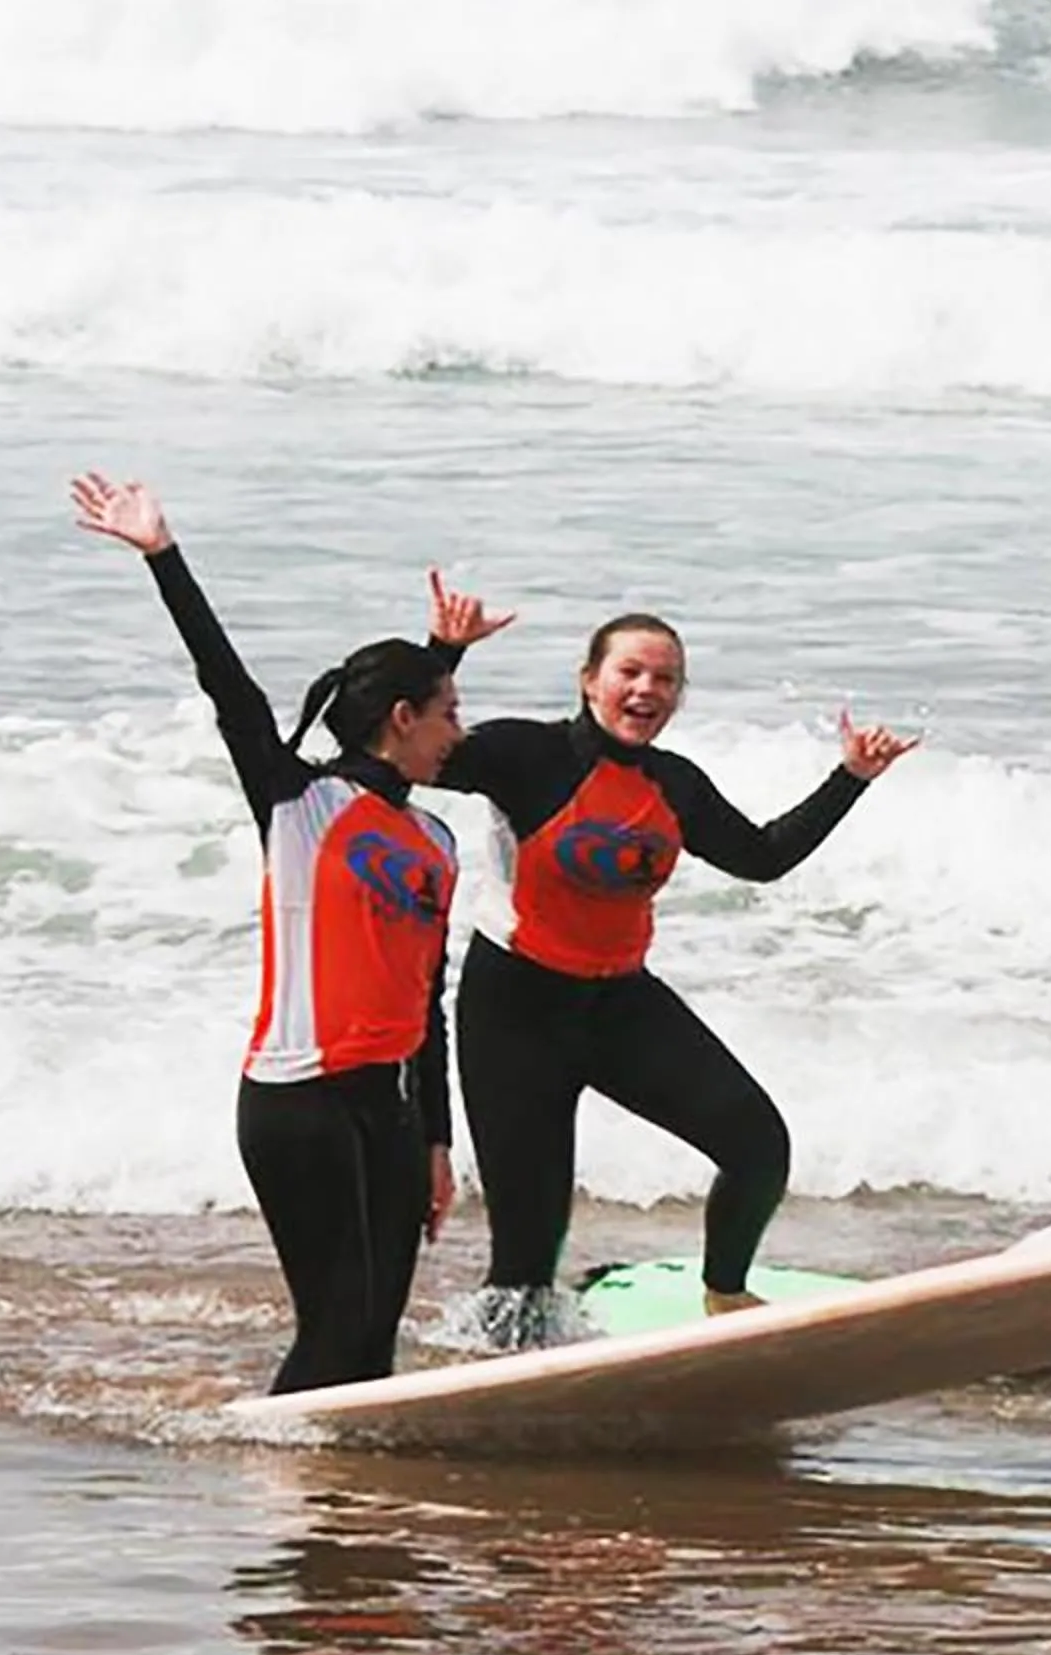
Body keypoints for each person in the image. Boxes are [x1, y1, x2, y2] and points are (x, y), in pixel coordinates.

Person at [424, 599, 916, 1340]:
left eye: (666, 678)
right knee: (527, 1256)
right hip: (514, 1014)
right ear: (590, 680)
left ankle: (725, 1298)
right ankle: (492, 1380)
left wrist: (850, 777)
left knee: (757, 1146)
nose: (647, 689)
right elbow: (419, 747)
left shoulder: (676, 784)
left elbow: (762, 857)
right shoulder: (525, 755)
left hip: (621, 1005)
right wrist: (444, 651)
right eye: (630, 671)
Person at [72, 474, 467, 1393]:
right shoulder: (300, 802)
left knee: (375, 1342)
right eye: (449, 713)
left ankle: (346, 1511)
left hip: (392, 1109)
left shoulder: (437, 841)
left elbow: (428, 1000)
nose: (461, 731)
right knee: (333, 1334)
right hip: (300, 1102)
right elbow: (230, 689)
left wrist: (437, 1140)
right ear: (402, 720)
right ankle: (281, 1484)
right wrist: (163, 557)